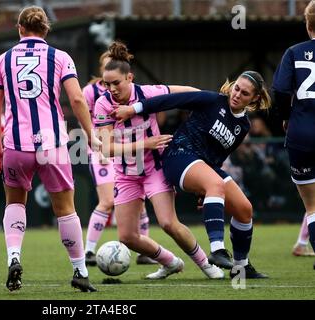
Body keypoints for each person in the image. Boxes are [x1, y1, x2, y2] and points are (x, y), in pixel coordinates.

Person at [113, 70, 272, 279]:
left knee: (244, 209)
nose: (237, 94)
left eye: (244, 94)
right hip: (178, 155)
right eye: (236, 88)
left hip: (205, 166)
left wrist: (205, 189)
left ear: (255, 99)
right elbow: (170, 101)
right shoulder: (212, 100)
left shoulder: (243, 126)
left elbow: (217, 157)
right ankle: (217, 251)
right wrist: (133, 109)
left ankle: (240, 268)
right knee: (215, 184)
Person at [0, 6, 99, 292]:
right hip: (52, 144)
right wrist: (91, 134)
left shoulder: (4, 59)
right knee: (65, 209)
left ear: (19, 29)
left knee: (15, 203)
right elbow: (76, 99)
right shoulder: (60, 57)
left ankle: (14, 257)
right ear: (46, 29)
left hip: (15, 143)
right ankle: (80, 271)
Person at [94, 41, 224, 280]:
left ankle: (207, 265)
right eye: (106, 83)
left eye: (116, 83)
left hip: (156, 169)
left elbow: (186, 92)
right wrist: (147, 143)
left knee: (167, 223)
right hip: (126, 175)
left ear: (130, 78)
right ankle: (171, 262)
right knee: (127, 236)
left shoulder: (148, 93)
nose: (111, 88)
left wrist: (215, 101)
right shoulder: (102, 104)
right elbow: (108, 150)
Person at [83, 50, 156, 266]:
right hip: (102, 150)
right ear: (102, 70)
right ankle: (88, 252)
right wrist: (96, 146)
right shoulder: (90, 91)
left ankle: (146, 252)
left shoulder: (131, 91)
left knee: (140, 204)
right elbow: (84, 119)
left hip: (128, 151)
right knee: (106, 201)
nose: (112, 86)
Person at [272, 0, 315, 268]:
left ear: (308, 24)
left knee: (311, 206)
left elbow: (279, 91)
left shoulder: (294, 52)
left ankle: (305, 243)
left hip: (302, 134)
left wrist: (286, 119)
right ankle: (301, 244)